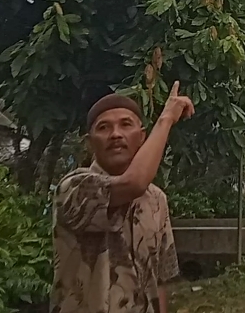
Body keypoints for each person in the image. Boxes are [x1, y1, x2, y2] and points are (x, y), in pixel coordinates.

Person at [52, 82, 195, 313]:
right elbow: (134, 183)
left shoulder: (157, 200)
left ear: (141, 137)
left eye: (125, 125)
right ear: (90, 143)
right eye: (104, 128)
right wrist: (166, 118)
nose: (116, 134)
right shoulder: (73, 189)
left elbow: (158, 281)